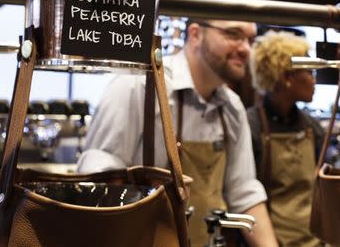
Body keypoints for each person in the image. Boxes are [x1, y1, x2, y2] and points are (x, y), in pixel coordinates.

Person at [78, 19, 278, 247]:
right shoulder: (139, 86)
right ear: (195, 34)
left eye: (250, 39)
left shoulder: (232, 106)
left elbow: (244, 192)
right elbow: (99, 184)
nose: (245, 49)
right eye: (233, 34)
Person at [247, 30, 325, 247]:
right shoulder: (250, 126)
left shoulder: (313, 128)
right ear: (286, 78)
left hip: (315, 240)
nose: (313, 79)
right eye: (309, 71)